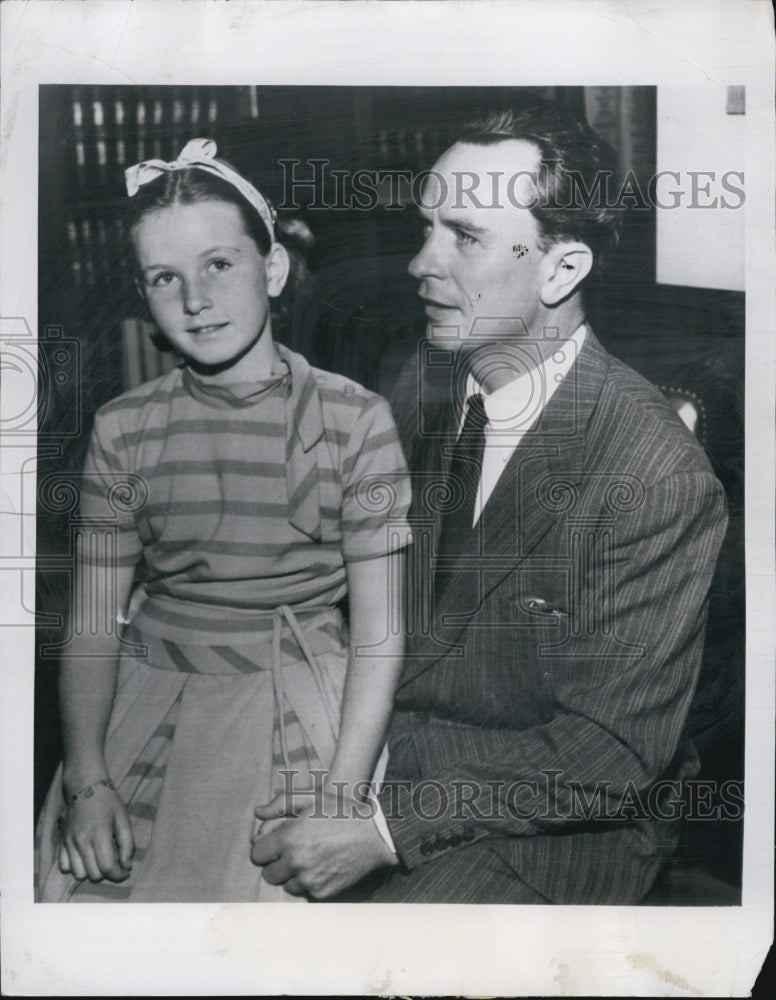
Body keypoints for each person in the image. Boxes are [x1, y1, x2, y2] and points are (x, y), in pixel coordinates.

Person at [250, 103, 729, 903]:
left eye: (464, 236)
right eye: (427, 226)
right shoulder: (420, 377)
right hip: (380, 759)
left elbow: (606, 754)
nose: (421, 264)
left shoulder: (654, 474)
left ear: (560, 269)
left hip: (550, 822)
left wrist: (384, 828)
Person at [35, 138, 411, 902]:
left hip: (302, 699)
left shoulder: (353, 419)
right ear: (143, 297)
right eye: (164, 278)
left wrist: (343, 793)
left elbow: (379, 631)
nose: (195, 300)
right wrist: (87, 777)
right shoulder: (124, 426)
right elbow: (94, 624)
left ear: (271, 269)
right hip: (149, 694)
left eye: (219, 265)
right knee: (84, 904)